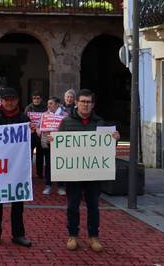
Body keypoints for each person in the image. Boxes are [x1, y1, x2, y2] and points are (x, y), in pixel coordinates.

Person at [50, 89, 120, 253]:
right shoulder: (66, 123)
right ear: (76, 103)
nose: (85, 105)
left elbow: (106, 149)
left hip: (94, 174)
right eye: (82, 101)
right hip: (73, 174)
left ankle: (93, 236)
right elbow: (59, 147)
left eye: (88, 102)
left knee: (93, 206)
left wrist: (114, 140)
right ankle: (73, 235)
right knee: (72, 205)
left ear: (93, 104)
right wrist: (53, 141)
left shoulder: (100, 123)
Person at [0, 88, 34, 248]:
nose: (9, 102)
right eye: (6, 99)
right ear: (1, 101)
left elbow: (31, 144)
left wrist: (33, 132)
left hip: (17, 168)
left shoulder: (23, 119)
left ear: (17, 101)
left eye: (12, 99)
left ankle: (18, 234)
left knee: (18, 204)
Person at [40, 97, 66, 196]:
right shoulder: (45, 115)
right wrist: (39, 130)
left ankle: (60, 186)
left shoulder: (64, 115)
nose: (48, 106)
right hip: (47, 142)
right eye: (48, 103)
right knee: (48, 164)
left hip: (60, 143)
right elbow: (39, 127)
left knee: (60, 163)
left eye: (51, 103)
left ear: (57, 104)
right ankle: (48, 185)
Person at [25, 91, 46, 178]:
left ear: (41, 99)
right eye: (34, 98)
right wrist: (33, 128)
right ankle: (28, 173)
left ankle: (40, 173)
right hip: (31, 134)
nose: (36, 100)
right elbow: (25, 120)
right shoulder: (28, 108)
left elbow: (46, 120)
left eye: (38, 98)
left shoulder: (45, 108)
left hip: (41, 134)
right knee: (29, 155)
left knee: (40, 155)